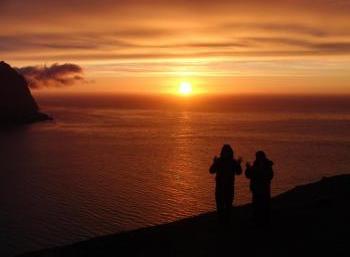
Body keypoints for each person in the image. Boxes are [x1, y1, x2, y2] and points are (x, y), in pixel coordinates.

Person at [210, 144, 242, 224]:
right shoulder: (219, 161)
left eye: (227, 152)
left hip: (229, 188)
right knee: (220, 208)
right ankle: (221, 223)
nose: (226, 153)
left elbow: (239, 172)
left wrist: (238, 165)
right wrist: (214, 163)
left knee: (228, 207)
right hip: (220, 188)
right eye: (225, 152)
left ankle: (227, 223)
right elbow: (211, 171)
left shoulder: (233, 162)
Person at [245, 151, 274, 225]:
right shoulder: (255, 165)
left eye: (259, 156)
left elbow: (270, 176)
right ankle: (257, 221)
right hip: (256, 190)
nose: (258, 158)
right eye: (257, 156)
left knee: (265, 207)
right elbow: (249, 175)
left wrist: (260, 170)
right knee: (256, 207)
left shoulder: (267, 165)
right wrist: (248, 169)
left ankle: (265, 222)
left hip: (264, 190)